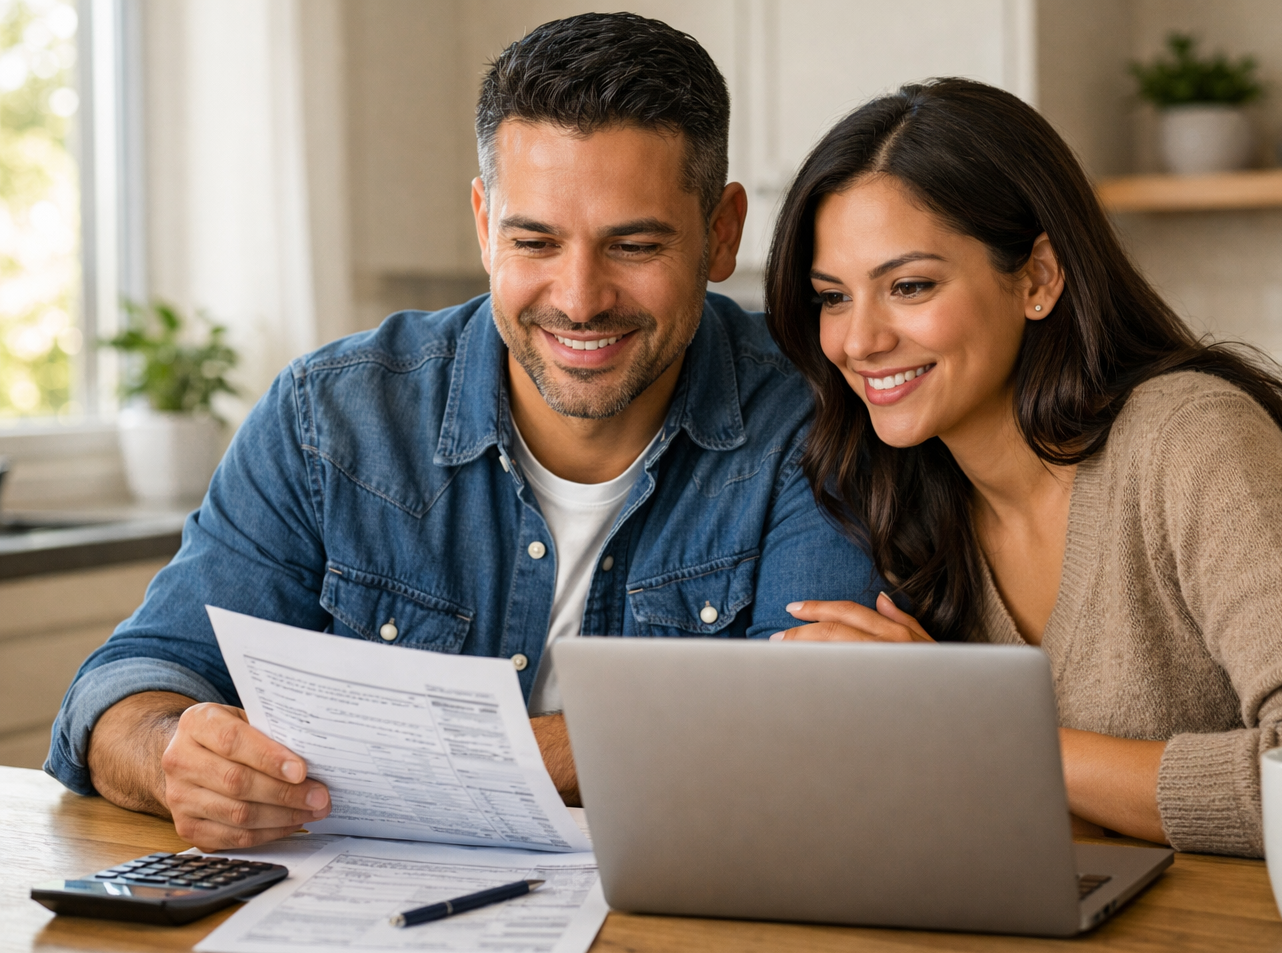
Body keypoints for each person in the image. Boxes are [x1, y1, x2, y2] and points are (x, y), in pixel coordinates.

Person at [46, 13, 878, 851]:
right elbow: (126, 688)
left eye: (633, 244)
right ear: (485, 224)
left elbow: (804, 719)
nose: (581, 298)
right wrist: (172, 759)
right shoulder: (327, 419)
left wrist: (382, 762)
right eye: (535, 240)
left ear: (722, 232)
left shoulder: (818, 414)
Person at [764, 78, 1282, 857]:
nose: (858, 340)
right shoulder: (901, 490)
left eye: (910, 286)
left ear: (1039, 278)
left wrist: (965, 722)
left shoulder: (1188, 439)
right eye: (833, 298)